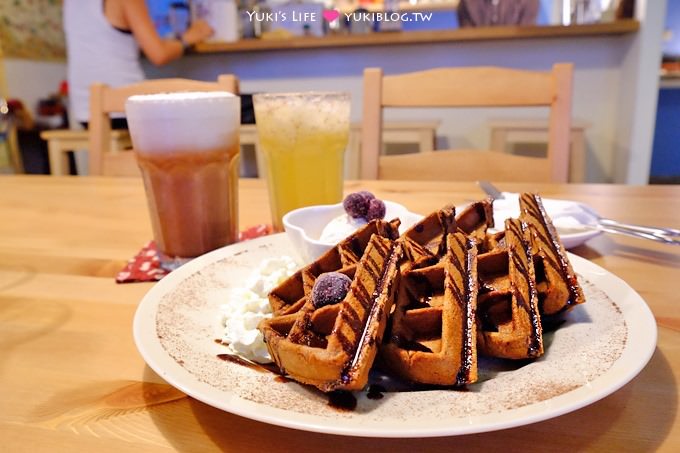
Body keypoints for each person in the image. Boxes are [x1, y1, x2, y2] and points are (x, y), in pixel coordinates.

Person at [63, 0, 214, 127]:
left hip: (84, 111)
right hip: (122, 109)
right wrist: (188, 38)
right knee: (201, 117)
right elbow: (159, 54)